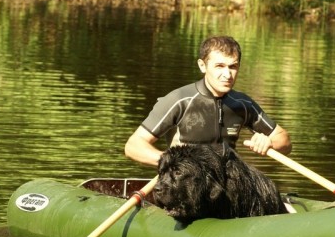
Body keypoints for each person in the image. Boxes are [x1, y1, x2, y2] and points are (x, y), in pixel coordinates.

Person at [124, 35, 292, 166]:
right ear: (202, 66)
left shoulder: (243, 104)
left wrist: (269, 142)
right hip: (185, 183)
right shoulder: (179, 100)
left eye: (233, 67)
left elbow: (284, 141)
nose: (227, 75)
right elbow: (133, 146)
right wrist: (171, 161)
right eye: (219, 66)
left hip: (228, 183)